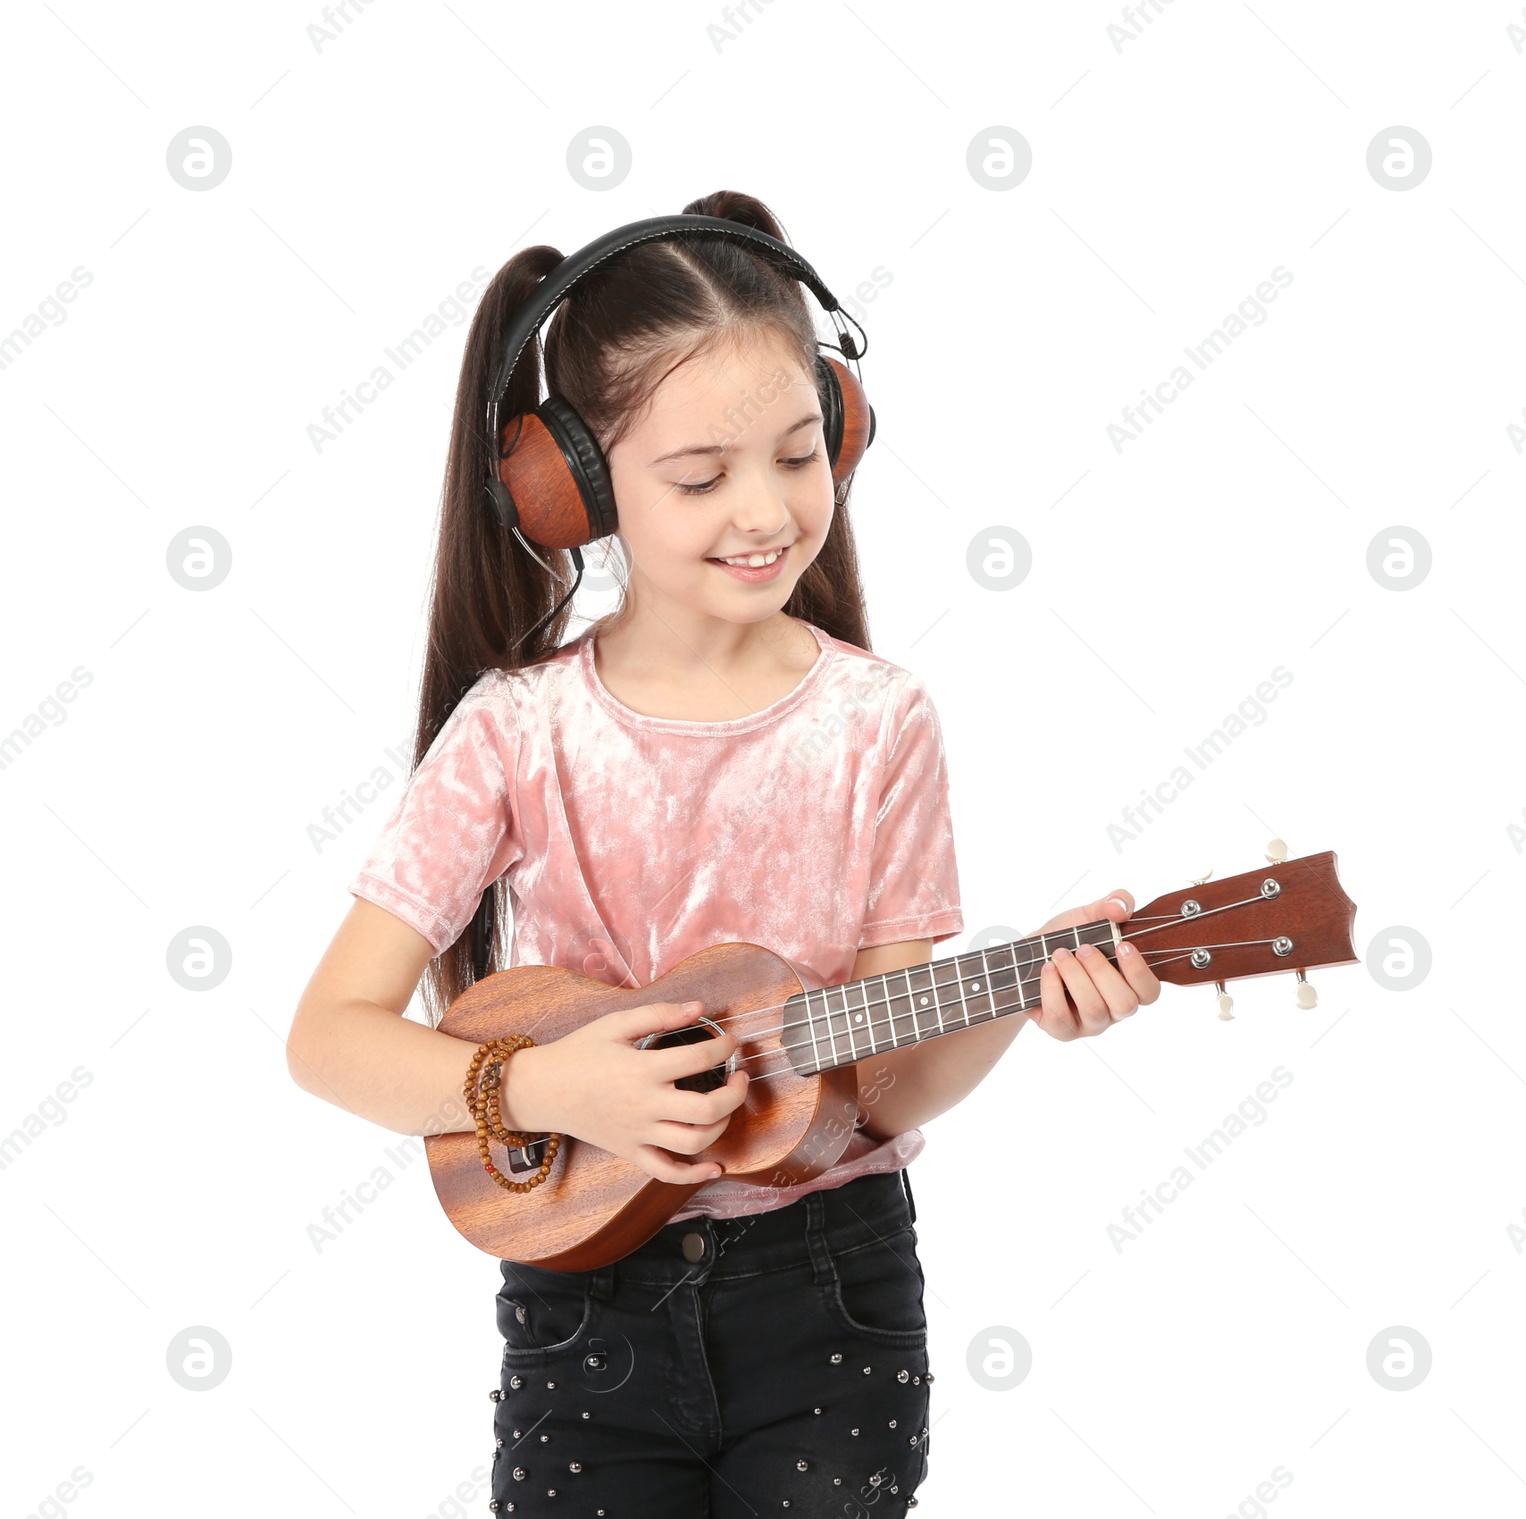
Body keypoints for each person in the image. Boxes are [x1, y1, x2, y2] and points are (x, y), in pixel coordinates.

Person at [287, 188, 1161, 1517]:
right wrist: (544, 1090)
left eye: (801, 454)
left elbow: (876, 1088)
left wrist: (1018, 1001)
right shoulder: (518, 734)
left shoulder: (880, 722)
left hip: (832, 1301)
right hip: (583, 1318)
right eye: (700, 476)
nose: (764, 510)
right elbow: (329, 1037)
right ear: (572, 486)